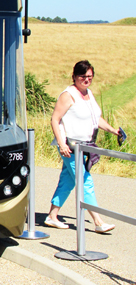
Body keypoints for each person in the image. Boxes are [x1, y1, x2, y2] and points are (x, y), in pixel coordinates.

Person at [45, 60, 119, 233]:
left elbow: (96, 119)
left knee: (68, 180)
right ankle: (98, 221)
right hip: (70, 146)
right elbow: (55, 119)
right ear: (74, 77)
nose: (86, 80)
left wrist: (113, 130)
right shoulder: (68, 95)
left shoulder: (88, 94)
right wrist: (62, 144)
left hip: (84, 145)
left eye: (90, 77)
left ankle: (52, 216)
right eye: (83, 77)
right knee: (85, 181)